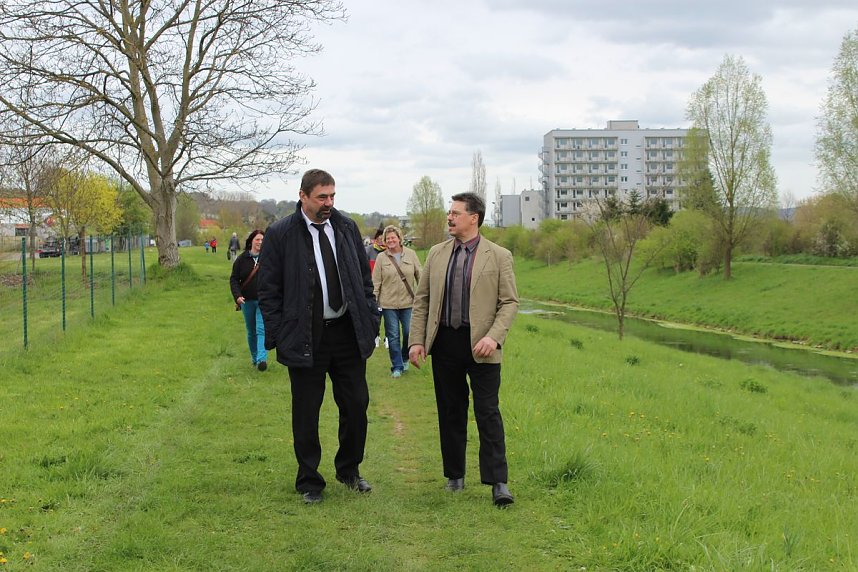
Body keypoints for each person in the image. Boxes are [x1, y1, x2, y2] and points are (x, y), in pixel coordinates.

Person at [258, 168, 381, 505]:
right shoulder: (281, 234)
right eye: (321, 197)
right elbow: (268, 291)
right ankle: (310, 481)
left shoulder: (345, 227)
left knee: (356, 405)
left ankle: (349, 470)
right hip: (305, 334)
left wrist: (370, 318)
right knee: (307, 411)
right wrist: (280, 335)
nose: (328, 203)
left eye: (332, 196)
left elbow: (363, 279)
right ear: (303, 196)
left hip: (347, 332)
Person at [408, 192, 519, 507]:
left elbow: (509, 302)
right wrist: (416, 340)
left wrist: (494, 337)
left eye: (456, 213)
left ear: (474, 217)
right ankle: (454, 476)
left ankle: (498, 483)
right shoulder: (436, 253)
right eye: (449, 212)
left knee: (487, 413)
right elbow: (423, 300)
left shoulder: (499, 256)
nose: (450, 217)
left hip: (482, 346)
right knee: (451, 411)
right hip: (445, 343)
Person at [372, 225, 422, 378]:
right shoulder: (381, 258)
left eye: (393, 238)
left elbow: (421, 276)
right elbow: (376, 282)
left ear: (399, 239)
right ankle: (397, 366)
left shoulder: (411, 255)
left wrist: (425, 296)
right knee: (393, 336)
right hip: (388, 304)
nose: (390, 240)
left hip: (409, 303)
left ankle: (405, 357)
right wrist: (373, 302)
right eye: (387, 239)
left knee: (408, 332)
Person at [230, 230, 268, 371]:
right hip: (247, 301)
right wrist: (237, 296)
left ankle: (261, 359)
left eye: (262, 240)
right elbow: (234, 279)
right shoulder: (242, 259)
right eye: (257, 239)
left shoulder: (268, 258)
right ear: (251, 241)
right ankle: (254, 357)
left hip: (264, 300)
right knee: (251, 331)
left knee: (261, 329)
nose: (260, 242)